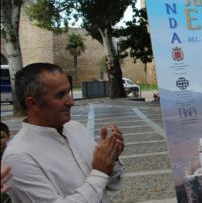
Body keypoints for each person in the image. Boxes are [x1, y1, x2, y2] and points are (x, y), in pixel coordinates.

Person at [1, 63, 125, 202]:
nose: (71, 102)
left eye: (69, 92)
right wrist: (100, 173)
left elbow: (112, 185)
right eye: (60, 95)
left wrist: (111, 158)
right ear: (33, 104)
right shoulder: (18, 156)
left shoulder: (75, 128)